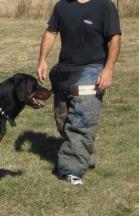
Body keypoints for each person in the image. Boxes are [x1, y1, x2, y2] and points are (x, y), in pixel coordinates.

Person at [37, 0, 121, 185]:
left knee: (82, 120)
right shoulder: (62, 6)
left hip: (93, 68)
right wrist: (42, 60)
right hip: (65, 71)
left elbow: (114, 37)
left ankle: (71, 169)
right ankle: (84, 153)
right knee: (63, 121)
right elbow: (51, 32)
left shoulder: (104, 6)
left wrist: (108, 69)